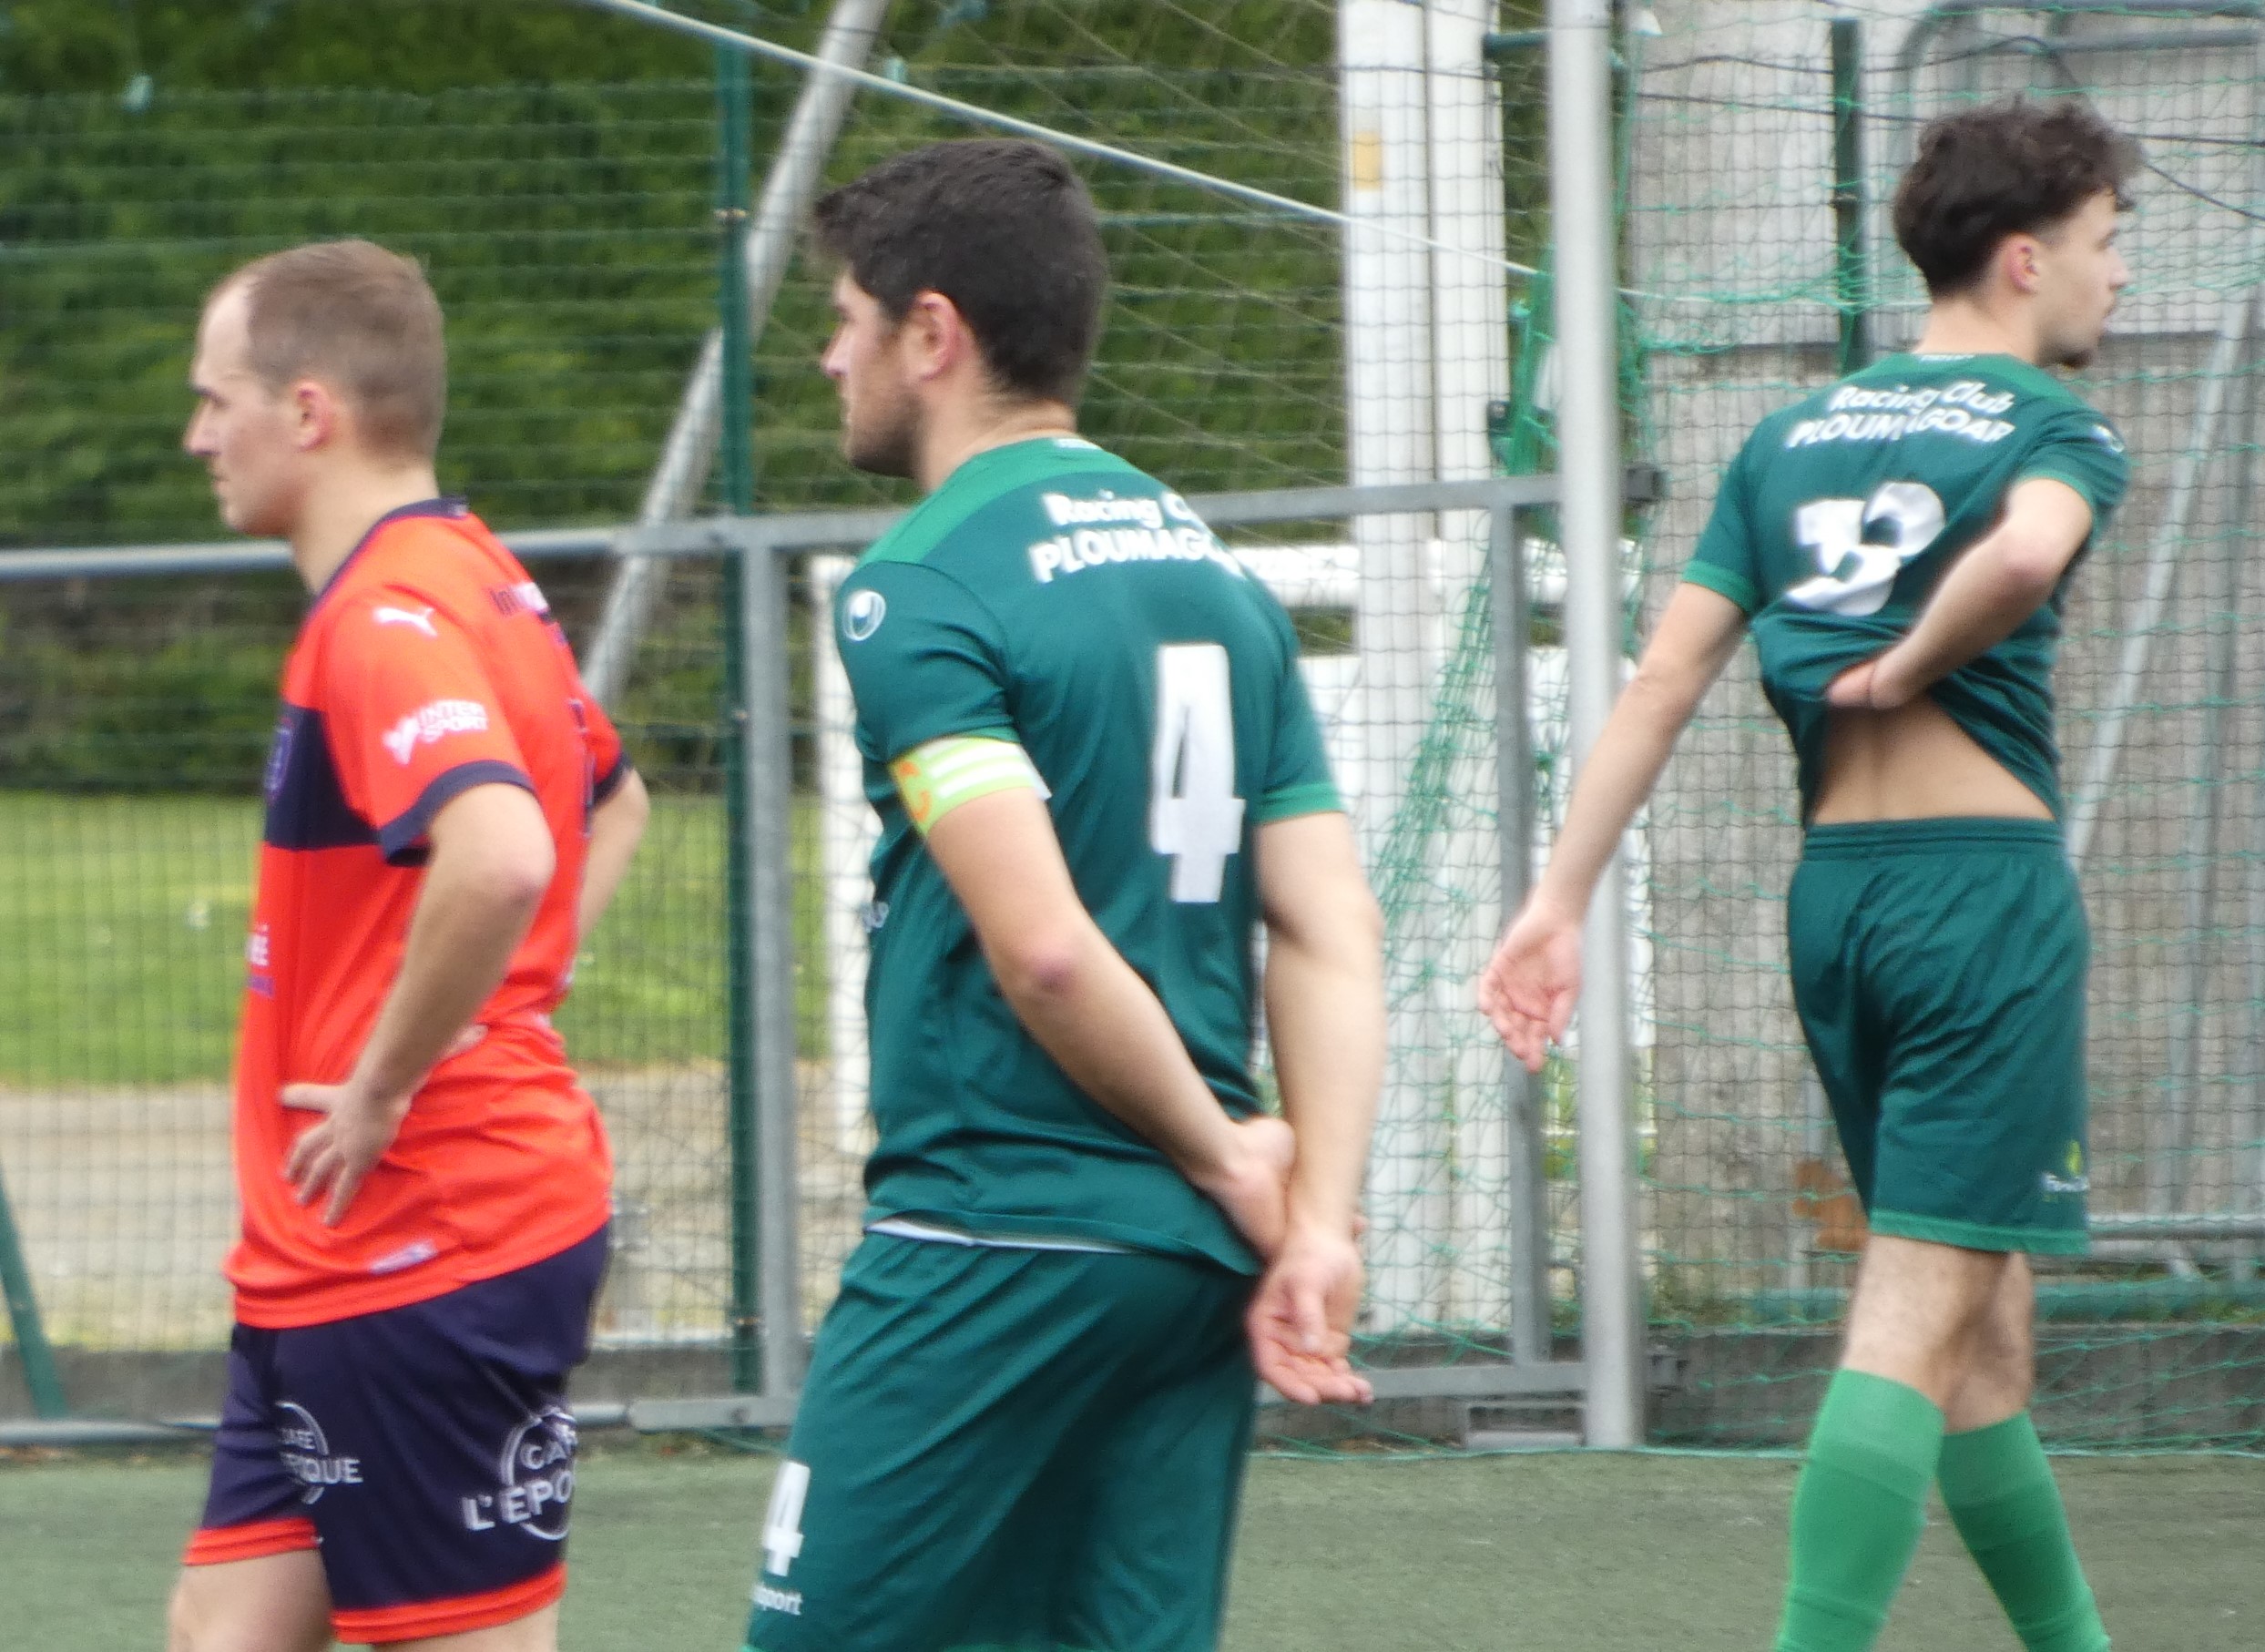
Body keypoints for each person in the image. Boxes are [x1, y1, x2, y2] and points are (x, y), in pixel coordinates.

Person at [1478, 100, 2136, 1652]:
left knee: (1984, 1332)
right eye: (2106, 246)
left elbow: (1659, 682)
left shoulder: (1785, 438)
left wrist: (1556, 903)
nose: (2117, 277)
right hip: (1979, 901)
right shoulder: (2057, 426)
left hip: (1836, 903)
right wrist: (1910, 660)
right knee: (1913, 1313)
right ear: (2023, 258)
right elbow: (2023, 559)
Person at [743, 138, 1383, 1652]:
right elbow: (1330, 926)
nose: (831, 358)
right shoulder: (1217, 580)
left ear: (933, 333)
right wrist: (1314, 1222)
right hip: (1186, 1272)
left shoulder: (924, 584)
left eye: (846, 319)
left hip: (993, 1235)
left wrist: (1228, 1158)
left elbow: (1042, 950)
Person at [168, 239, 649, 1651]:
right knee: (220, 1630)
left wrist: (393, 1072)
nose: (198, 435)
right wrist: (491, 1000)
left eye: (215, 399)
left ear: (308, 412)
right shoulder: (473, 572)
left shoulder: (384, 618)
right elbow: (613, 799)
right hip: (327, 1249)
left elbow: (502, 853)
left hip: (422, 1238)